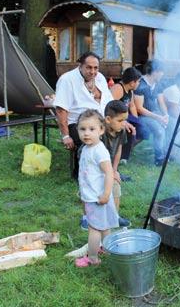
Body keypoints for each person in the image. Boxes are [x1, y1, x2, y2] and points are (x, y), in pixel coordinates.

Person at [54, 52, 113, 176]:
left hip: (100, 120)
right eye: (89, 67)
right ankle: (82, 173)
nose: (93, 72)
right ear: (80, 65)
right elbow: (61, 110)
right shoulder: (67, 79)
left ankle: (111, 171)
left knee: (119, 131)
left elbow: (109, 102)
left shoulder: (100, 78)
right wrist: (65, 136)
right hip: (77, 124)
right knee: (89, 137)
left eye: (96, 68)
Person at [74, 109, 118, 268]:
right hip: (92, 195)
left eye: (92, 129)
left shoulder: (99, 151)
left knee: (94, 228)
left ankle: (92, 257)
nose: (86, 133)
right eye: (82, 129)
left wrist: (106, 194)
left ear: (101, 130)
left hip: (98, 198)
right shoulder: (86, 148)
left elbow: (109, 173)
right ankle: (108, 249)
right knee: (104, 225)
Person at [102, 100, 131, 227]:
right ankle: (88, 218)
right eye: (120, 120)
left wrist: (114, 171)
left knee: (116, 185)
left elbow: (118, 150)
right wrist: (109, 172)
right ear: (108, 119)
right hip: (96, 167)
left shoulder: (121, 131)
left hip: (109, 167)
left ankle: (114, 216)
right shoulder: (99, 132)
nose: (124, 124)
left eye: (125, 120)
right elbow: (98, 158)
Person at [134, 61, 169, 166]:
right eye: (161, 71)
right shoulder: (140, 85)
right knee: (159, 130)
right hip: (141, 117)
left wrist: (166, 115)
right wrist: (158, 118)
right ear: (154, 72)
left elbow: (161, 102)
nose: (163, 74)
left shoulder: (158, 84)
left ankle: (169, 152)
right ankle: (160, 159)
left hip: (154, 115)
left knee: (173, 125)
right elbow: (139, 109)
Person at [110, 67, 142, 165]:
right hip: (115, 117)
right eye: (138, 81)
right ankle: (123, 156)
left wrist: (137, 121)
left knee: (142, 126)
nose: (139, 84)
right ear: (132, 82)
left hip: (125, 117)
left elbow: (132, 106)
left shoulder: (130, 91)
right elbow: (109, 106)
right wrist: (122, 121)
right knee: (129, 129)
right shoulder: (119, 88)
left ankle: (127, 149)